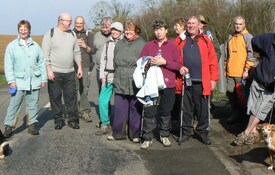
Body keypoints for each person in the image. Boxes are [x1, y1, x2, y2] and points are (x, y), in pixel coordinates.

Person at [139, 19, 182, 149]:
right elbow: (141, 62)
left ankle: (164, 135)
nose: (158, 32)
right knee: (150, 110)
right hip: (151, 84)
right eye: (156, 29)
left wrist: (164, 62)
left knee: (166, 110)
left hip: (168, 83)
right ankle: (147, 137)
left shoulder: (173, 46)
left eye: (161, 29)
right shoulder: (148, 45)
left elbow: (178, 65)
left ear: (166, 30)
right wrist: (148, 62)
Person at [177, 16, 219, 145]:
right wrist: (179, 67)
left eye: (193, 23)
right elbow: (174, 59)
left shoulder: (206, 40)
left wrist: (214, 79)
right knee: (186, 109)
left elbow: (213, 61)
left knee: (203, 109)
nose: (191, 25)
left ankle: (202, 132)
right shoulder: (180, 40)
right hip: (185, 81)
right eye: (189, 23)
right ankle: (186, 132)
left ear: (199, 25)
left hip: (203, 81)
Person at [3, 20, 47, 138]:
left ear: (29, 30)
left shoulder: (35, 46)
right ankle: (8, 126)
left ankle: (32, 125)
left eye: (25, 29)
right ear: (18, 30)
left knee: (33, 103)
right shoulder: (12, 46)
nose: (23, 31)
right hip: (18, 82)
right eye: (21, 29)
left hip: (34, 80)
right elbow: (8, 65)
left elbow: (42, 63)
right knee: (14, 104)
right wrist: (11, 81)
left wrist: (44, 78)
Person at [107, 19, 146, 142]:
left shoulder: (142, 44)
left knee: (135, 107)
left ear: (136, 31)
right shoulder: (119, 43)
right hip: (120, 77)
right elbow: (115, 61)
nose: (128, 31)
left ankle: (135, 134)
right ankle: (118, 133)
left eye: (131, 29)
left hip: (135, 78)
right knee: (120, 107)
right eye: (126, 29)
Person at [42, 12, 83, 130]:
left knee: (71, 97)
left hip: (70, 71)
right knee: (55, 97)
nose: (71, 23)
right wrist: (48, 70)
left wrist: (79, 67)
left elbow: (77, 52)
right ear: (61, 21)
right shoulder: (50, 34)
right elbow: (45, 54)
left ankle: (73, 120)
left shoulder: (73, 34)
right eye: (69, 21)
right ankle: (58, 120)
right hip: (54, 71)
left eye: (70, 20)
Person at [234, 33, 275, 146]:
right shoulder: (268, 38)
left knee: (260, 110)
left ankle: (246, 132)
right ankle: (253, 132)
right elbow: (253, 41)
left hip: (271, 87)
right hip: (259, 78)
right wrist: (260, 55)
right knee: (252, 107)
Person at [95, 22, 124, 136]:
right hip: (108, 76)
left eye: (117, 30)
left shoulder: (125, 43)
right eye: (113, 29)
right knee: (102, 100)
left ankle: (121, 124)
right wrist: (102, 77)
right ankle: (105, 123)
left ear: (121, 31)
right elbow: (103, 61)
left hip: (121, 76)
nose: (114, 32)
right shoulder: (107, 44)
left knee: (120, 102)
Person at [225, 16, 255, 124]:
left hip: (241, 73)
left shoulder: (248, 37)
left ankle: (245, 116)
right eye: (236, 24)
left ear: (244, 25)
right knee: (230, 93)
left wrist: (246, 70)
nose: (238, 26)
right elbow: (226, 54)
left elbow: (251, 55)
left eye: (240, 24)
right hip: (230, 71)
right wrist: (225, 67)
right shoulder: (230, 36)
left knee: (242, 96)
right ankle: (235, 113)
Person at [73, 16, 94, 122]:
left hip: (85, 65)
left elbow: (93, 50)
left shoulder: (89, 34)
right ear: (74, 23)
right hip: (72, 66)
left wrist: (85, 46)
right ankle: (73, 111)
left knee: (84, 88)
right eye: (77, 23)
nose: (79, 25)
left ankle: (85, 111)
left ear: (84, 23)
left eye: (81, 23)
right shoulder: (70, 34)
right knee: (72, 89)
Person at [93, 16, 112, 128]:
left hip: (112, 70)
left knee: (113, 95)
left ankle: (113, 117)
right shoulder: (97, 35)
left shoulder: (116, 34)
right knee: (102, 94)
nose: (105, 29)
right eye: (103, 27)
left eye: (107, 27)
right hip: (99, 69)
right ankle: (104, 118)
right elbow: (94, 50)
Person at [171, 17, 186, 127]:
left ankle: (182, 122)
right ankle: (175, 121)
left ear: (182, 26)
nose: (174, 27)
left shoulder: (185, 39)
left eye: (176, 25)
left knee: (182, 101)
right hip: (176, 74)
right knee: (176, 100)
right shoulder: (176, 40)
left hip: (183, 74)